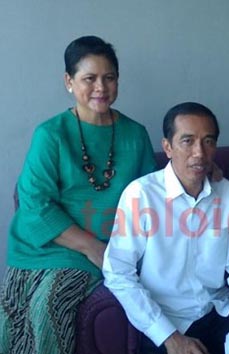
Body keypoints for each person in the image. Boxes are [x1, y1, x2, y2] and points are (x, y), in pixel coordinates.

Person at [0, 36, 157, 354]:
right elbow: (36, 203)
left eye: (109, 77)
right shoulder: (50, 134)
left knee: (49, 305)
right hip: (47, 245)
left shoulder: (135, 134)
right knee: (17, 314)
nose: (101, 87)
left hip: (102, 251)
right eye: (90, 78)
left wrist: (203, 170)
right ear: (69, 82)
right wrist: (92, 247)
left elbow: (152, 193)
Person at [103, 102, 229, 354]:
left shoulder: (224, 191)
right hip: (165, 319)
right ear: (167, 147)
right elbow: (118, 273)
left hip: (216, 308)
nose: (199, 152)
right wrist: (169, 337)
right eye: (187, 141)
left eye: (208, 141)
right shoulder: (141, 195)